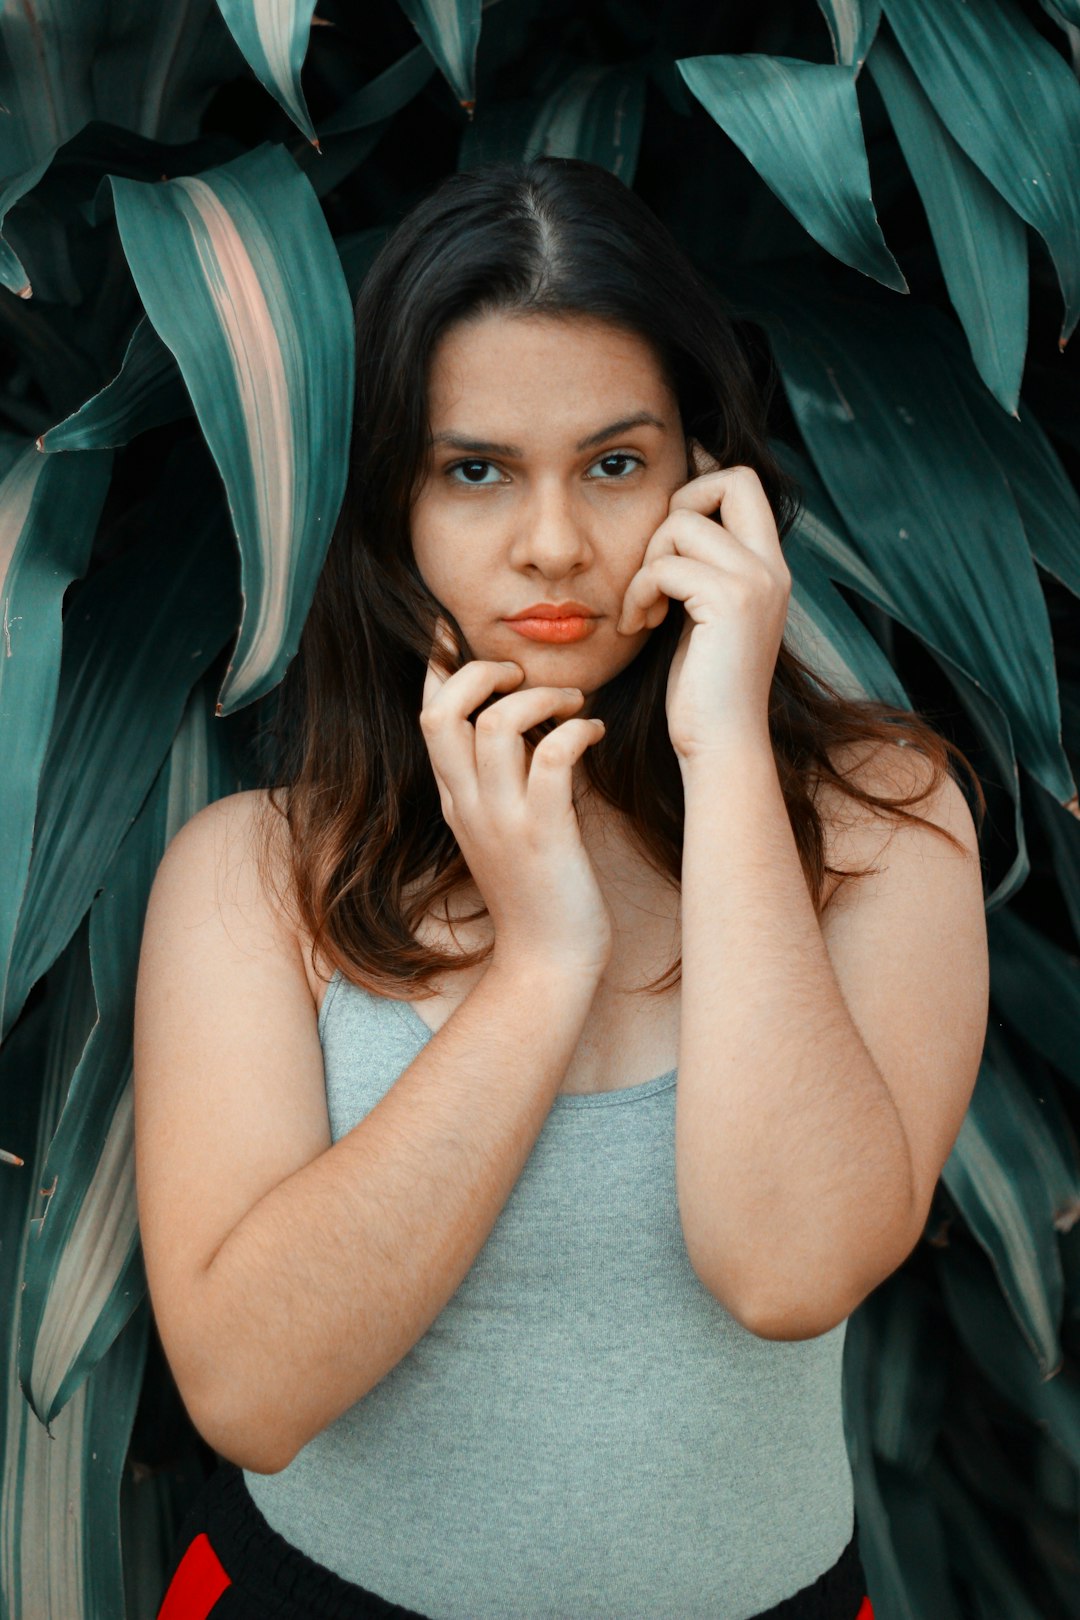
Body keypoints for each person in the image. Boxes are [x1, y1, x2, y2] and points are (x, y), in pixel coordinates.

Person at [135, 156, 989, 1620]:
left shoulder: (883, 824)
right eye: (475, 469)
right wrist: (540, 968)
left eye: (612, 463)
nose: (553, 545)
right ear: (390, 503)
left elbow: (788, 1271)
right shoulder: (258, 875)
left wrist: (725, 753)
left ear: (706, 481)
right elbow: (251, 1395)